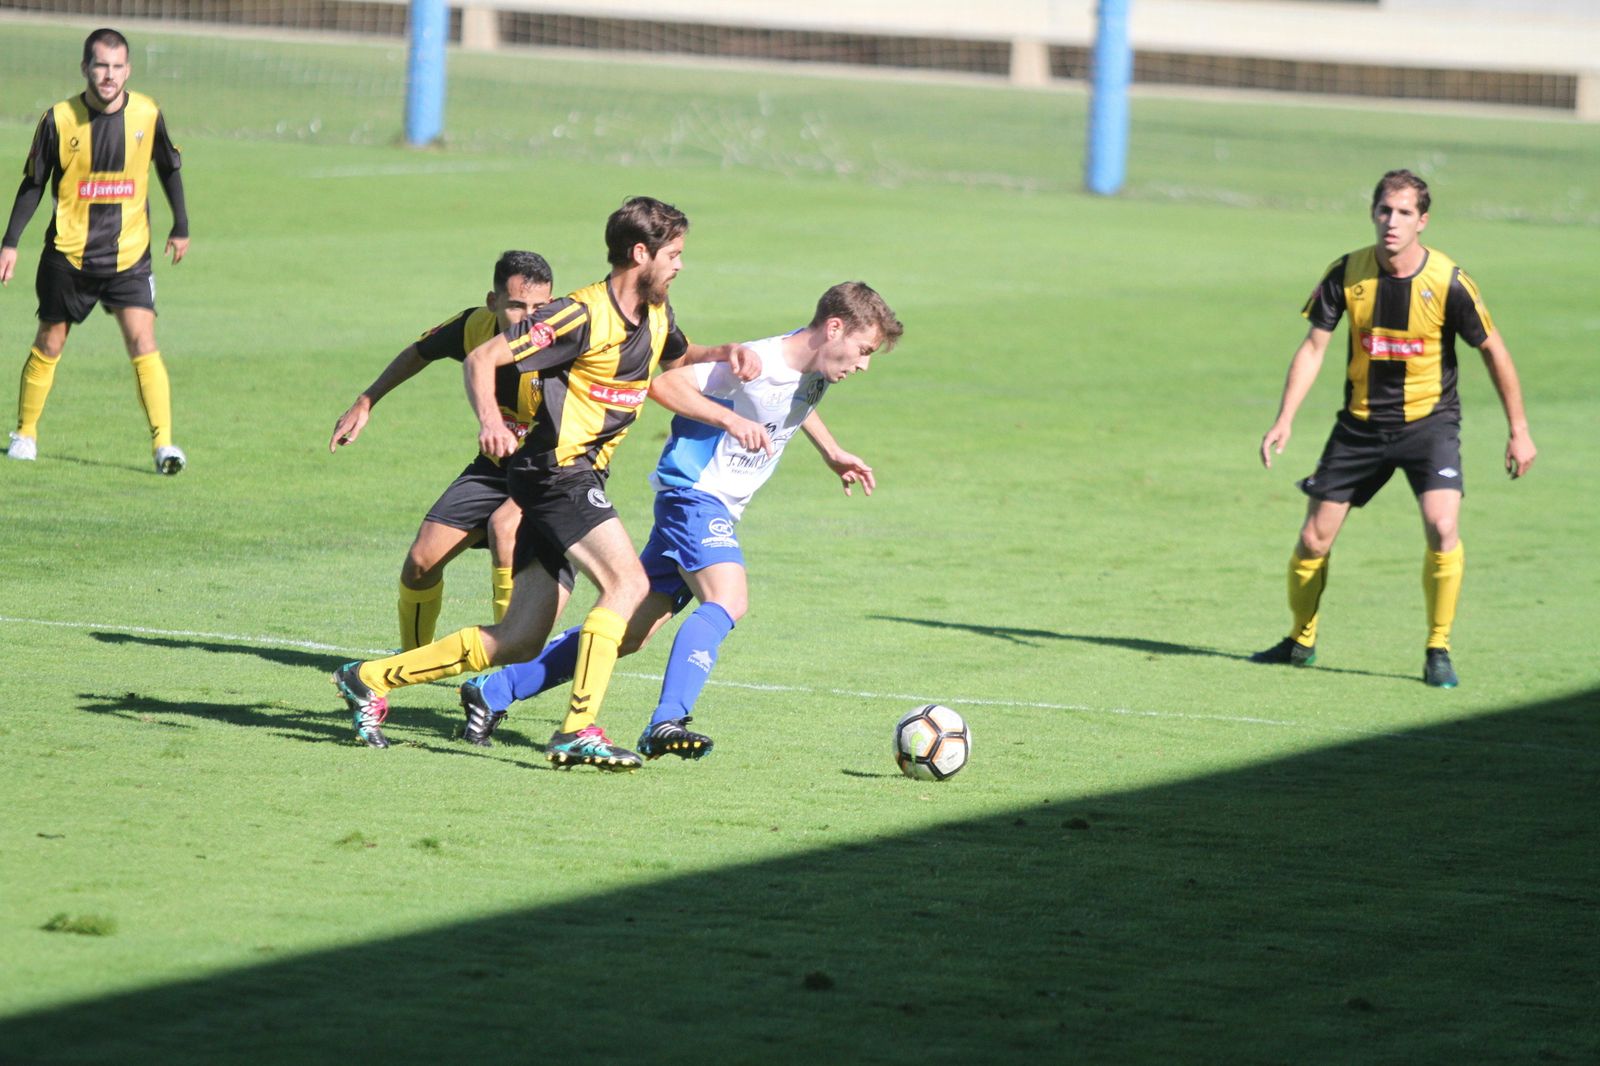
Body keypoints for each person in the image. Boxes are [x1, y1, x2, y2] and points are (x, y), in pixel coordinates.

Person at [331, 196, 758, 766]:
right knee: (627, 586)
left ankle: (370, 678)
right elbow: (483, 359)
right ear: (640, 253)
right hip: (557, 472)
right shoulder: (578, 314)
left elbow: (675, 358)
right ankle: (578, 728)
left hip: (566, 477)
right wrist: (490, 422)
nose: (680, 265)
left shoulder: (658, 315)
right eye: (674, 254)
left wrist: (724, 352)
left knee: (521, 639)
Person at [456, 281, 904, 760]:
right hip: (693, 496)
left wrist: (831, 451)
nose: (863, 364)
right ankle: (667, 720)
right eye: (862, 350)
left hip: (716, 504)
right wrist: (729, 420)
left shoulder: (812, 364)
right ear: (834, 328)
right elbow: (665, 384)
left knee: (628, 633)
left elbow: (795, 400)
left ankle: (494, 690)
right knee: (729, 597)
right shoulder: (758, 362)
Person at [1253, 168, 1536, 688]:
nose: (1392, 221)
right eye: (1385, 210)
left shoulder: (1449, 281)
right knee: (1314, 539)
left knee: (1442, 526)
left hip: (1430, 425)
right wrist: (1284, 418)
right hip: (1359, 427)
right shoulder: (1347, 273)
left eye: (1405, 212)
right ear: (1373, 213)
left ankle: (1438, 648)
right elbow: (1314, 346)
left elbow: (1494, 351)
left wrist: (1518, 429)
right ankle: (1301, 640)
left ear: (1422, 221)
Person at [330, 250, 553, 649]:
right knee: (420, 564)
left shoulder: (562, 343)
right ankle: (410, 662)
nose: (530, 317)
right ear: (493, 302)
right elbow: (419, 351)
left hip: (551, 471)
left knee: (505, 528)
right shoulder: (474, 326)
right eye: (517, 306)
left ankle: (503, 670)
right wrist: (367, 401)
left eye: (540, 307)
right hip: (494, 468)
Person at [2, 27, 190, 474]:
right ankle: (25, 433)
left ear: (128, 69)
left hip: (129, 255)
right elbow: (33, 183)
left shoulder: (146, 113)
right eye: (101, 65)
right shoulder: (59, 119)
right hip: (68, 255)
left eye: (117, 66)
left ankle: (164, 445)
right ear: (85, 67)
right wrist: (10, 242)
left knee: (143, 340)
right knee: (50, 340)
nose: (109, 75)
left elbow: (169, 166)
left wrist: (181, 224)